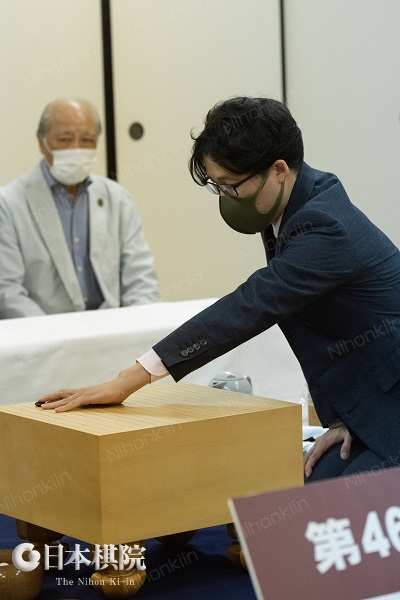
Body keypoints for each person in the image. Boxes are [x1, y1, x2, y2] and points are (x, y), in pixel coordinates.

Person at [38, 96, 400, 482]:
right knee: (307, 484)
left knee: (326, 505)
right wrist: (344, 419)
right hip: (365, 405)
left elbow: (251, 304)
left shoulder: (324, 226)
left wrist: (128, 380)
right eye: (217, 186)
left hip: (390, 403)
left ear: (278, 170)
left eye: (230, 186)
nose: (225, 197)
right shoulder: (298, 196)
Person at [0, 97, 159, 318]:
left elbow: (140, 279)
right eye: (65, 139)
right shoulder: (8, 204)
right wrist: (54, 335)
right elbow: (7, 292)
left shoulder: (119, 199)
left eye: (87, 139)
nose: (76, 148)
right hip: (44, 332)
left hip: (114, 328)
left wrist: (137, 325)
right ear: (41, 142)